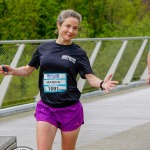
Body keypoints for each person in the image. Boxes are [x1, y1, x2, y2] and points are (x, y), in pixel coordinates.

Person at [0, 9, 118, 150]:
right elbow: (27, 70)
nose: (71, 31)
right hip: (46, 108)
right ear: (59, 25)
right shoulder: (43, 49)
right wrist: (12, 70)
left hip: (70, 109)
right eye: (67, 26)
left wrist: (101, 84)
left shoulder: (79, 53)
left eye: (75, 28)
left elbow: (90, 78)